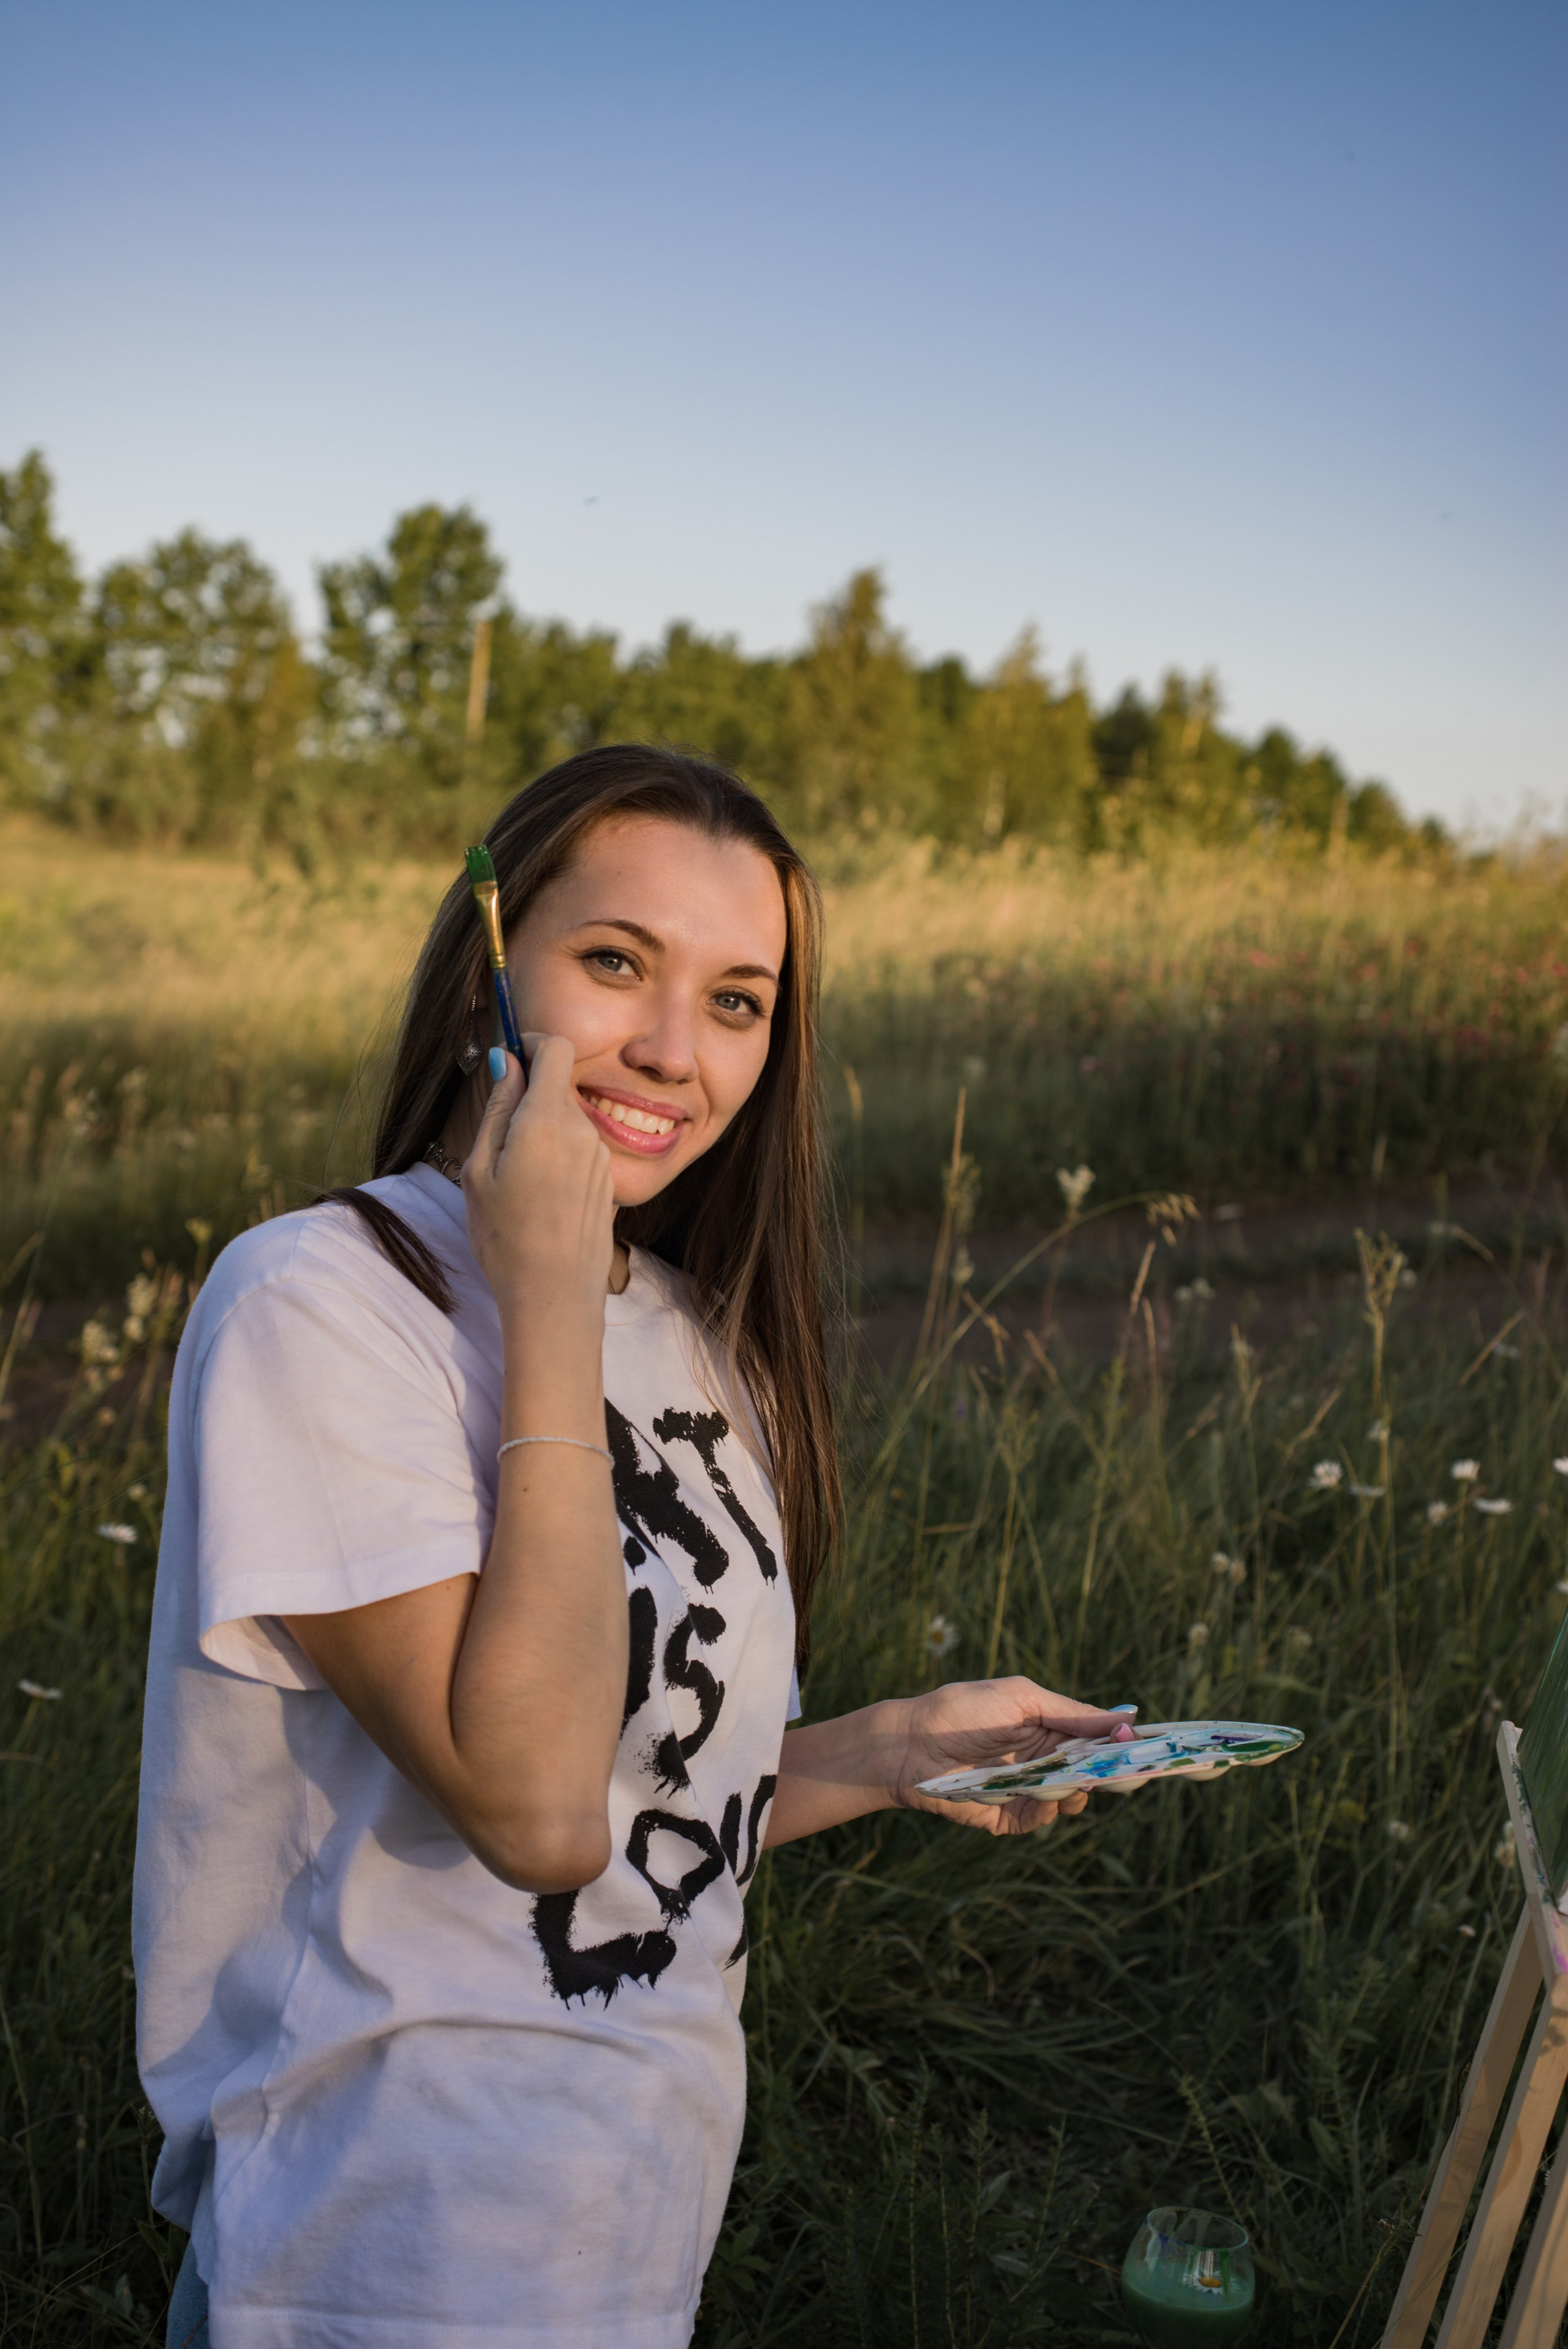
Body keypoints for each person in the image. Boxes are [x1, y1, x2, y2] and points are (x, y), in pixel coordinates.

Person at [135, 745, 1125, 2349]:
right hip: (372, 2262)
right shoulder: (320, 1300)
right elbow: (531, 1808)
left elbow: (633, 1809)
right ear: (492, 963)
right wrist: (543, 1306)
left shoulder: (696, 1335)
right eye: (614, 962)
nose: (677, 1049)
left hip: (619, 2249)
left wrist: (884, 1753)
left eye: (740, 1000)